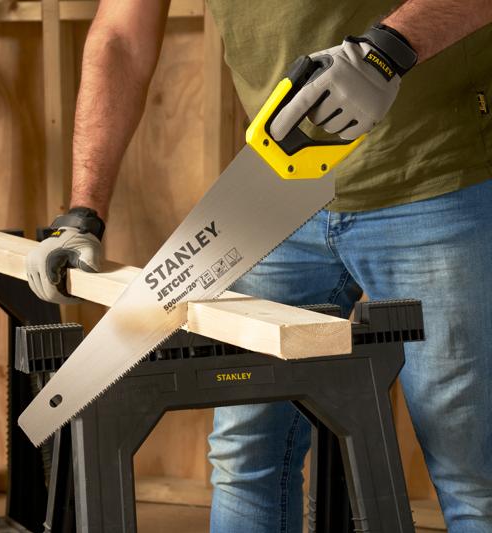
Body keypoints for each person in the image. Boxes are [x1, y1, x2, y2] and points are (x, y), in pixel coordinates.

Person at [25, 1, 492, 531]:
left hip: (435, 176)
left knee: (471, 470)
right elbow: (120, 37)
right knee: (246, 456)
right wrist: (83, 213)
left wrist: (388, 50)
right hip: (278, 191)